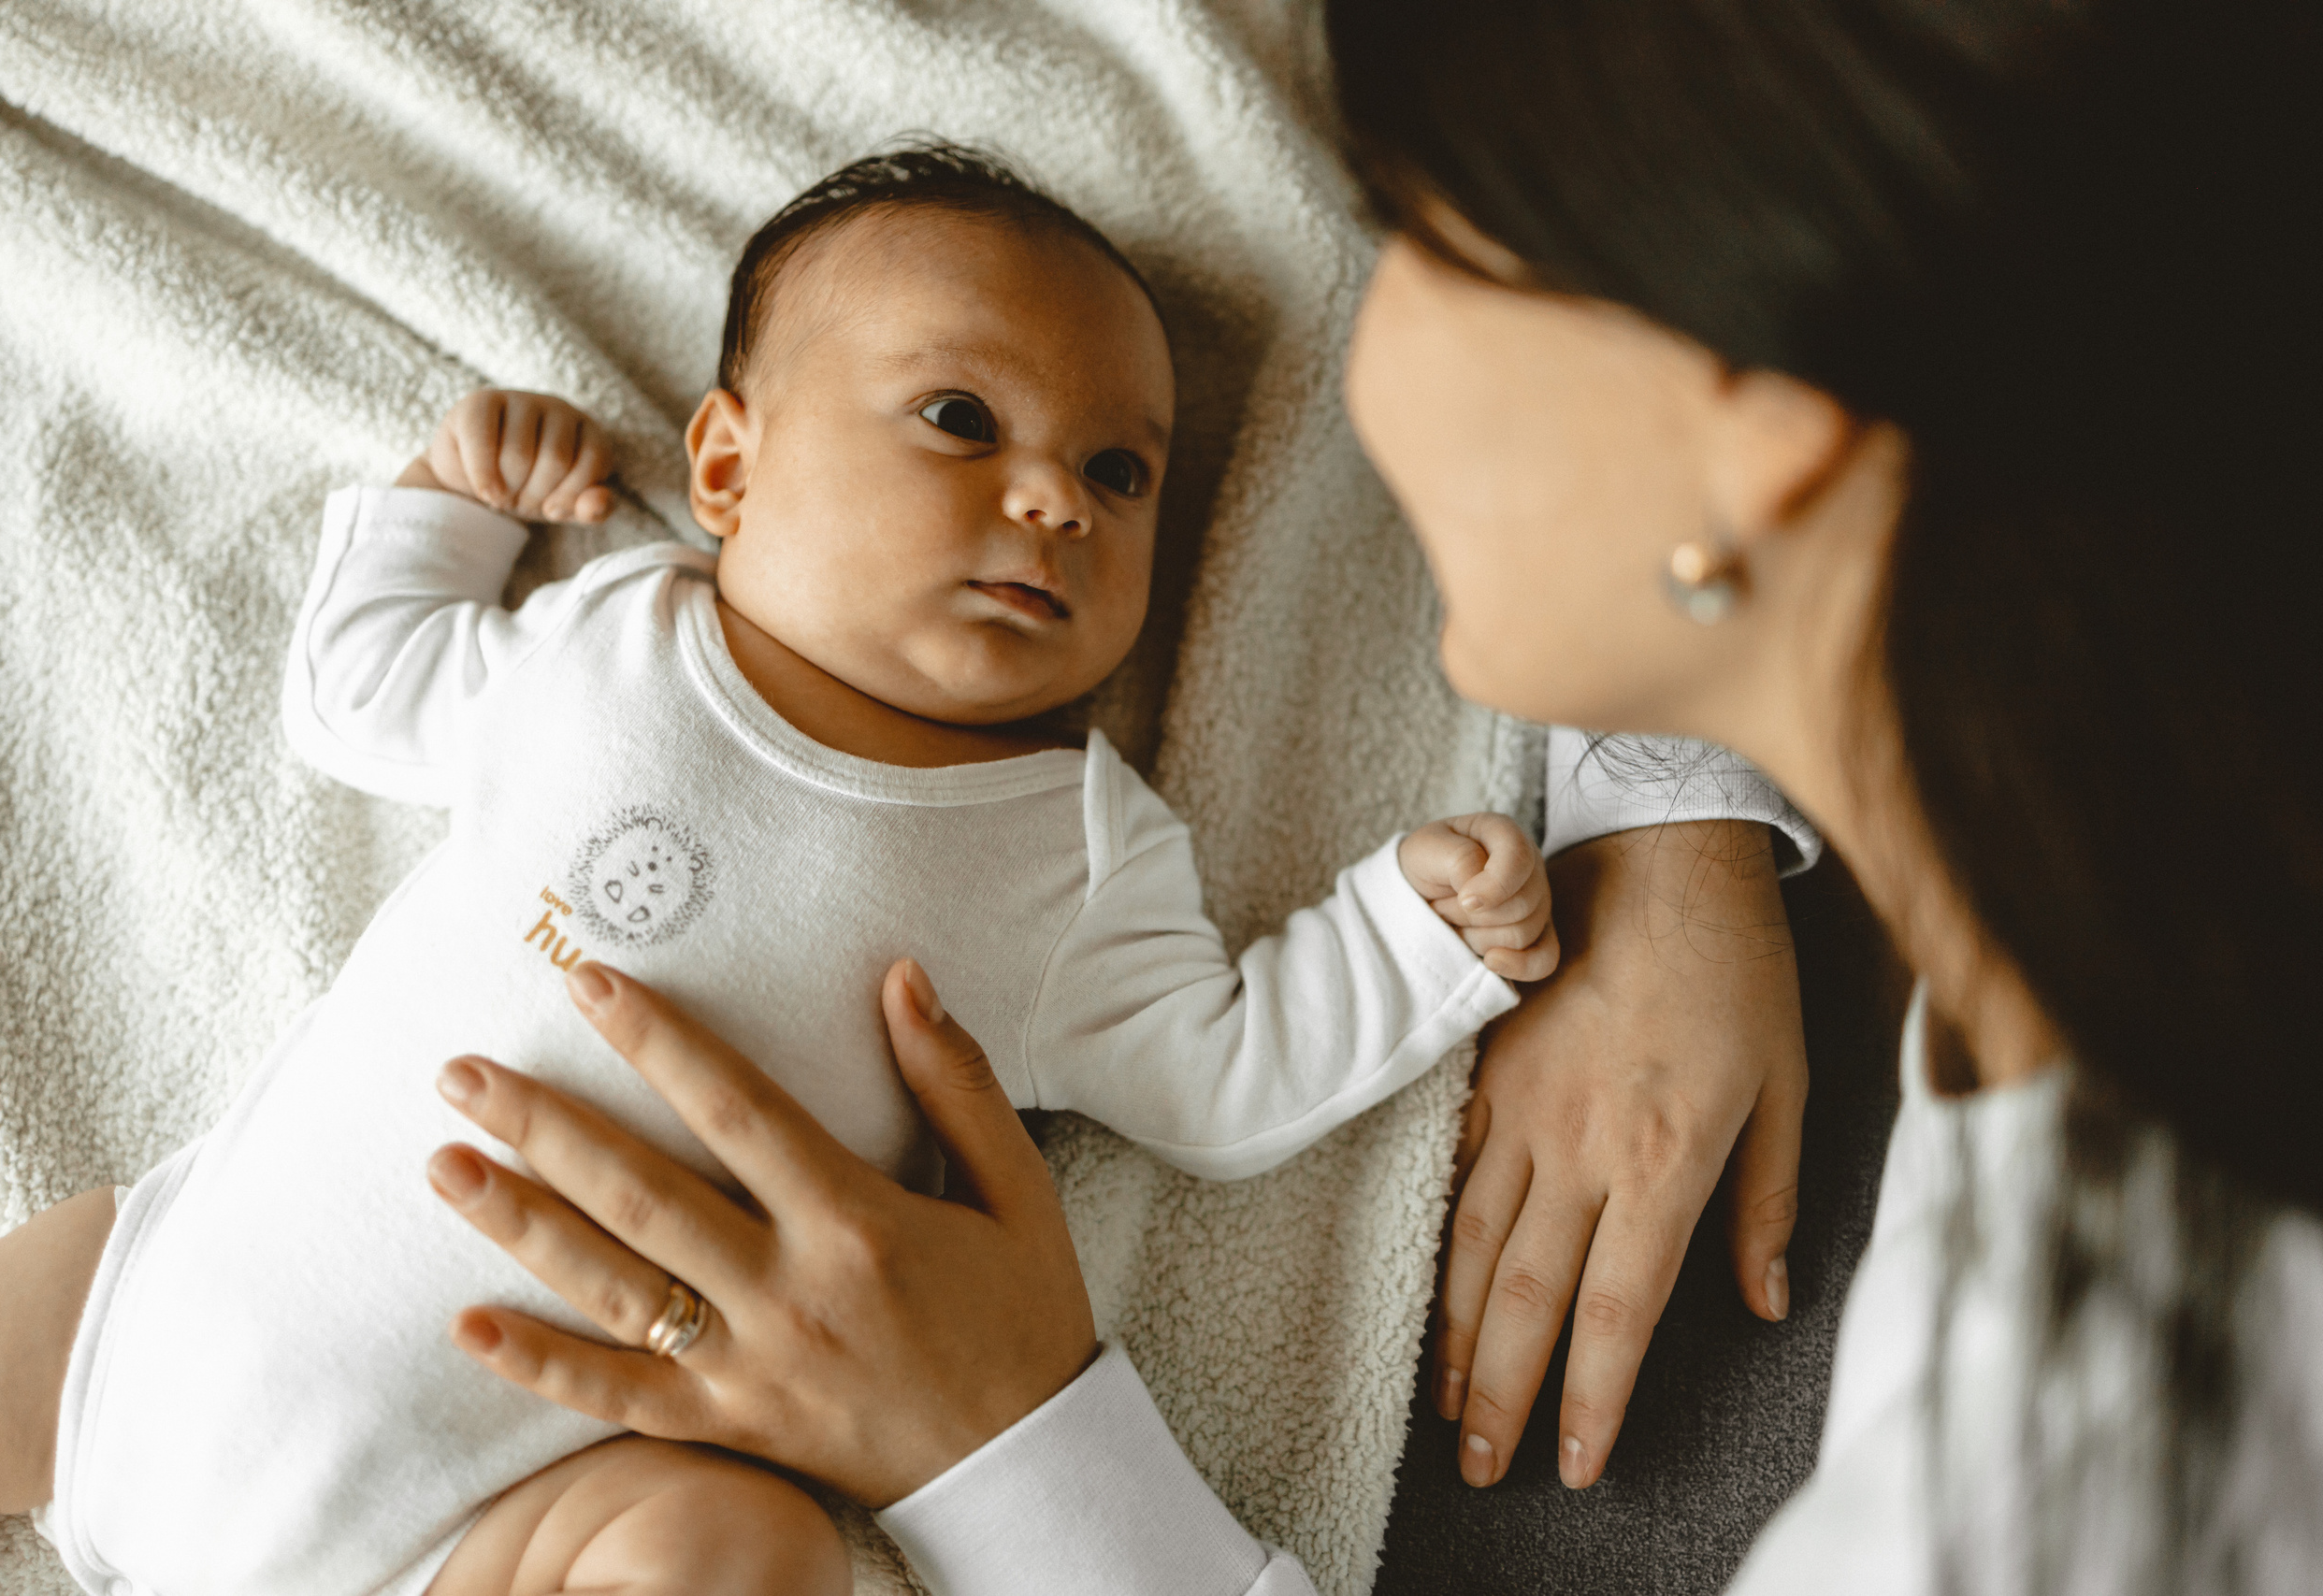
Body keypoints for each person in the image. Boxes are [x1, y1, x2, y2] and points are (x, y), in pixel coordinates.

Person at [406, 1, 2323, 1593]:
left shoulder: (2100, 1475)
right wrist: (1675, 797)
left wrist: (997, 1432)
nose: (1354, 343)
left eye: (1425, 246)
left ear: (1759, 430)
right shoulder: (2127, 934)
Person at [0, 145, 1578, 1596]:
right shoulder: (611, 638)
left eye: (1117, 472)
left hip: (481, 1526)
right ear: (726, 468)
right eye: (961, 418)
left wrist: (1411, 931)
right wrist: (453, 500)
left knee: (740, 1556)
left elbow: (1217, 1076)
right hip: (140, 1331)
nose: (1051, 502)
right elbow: (361, 689)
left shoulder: (1069, 849)